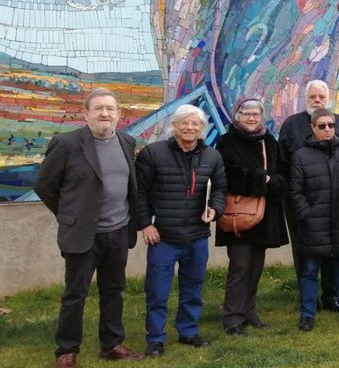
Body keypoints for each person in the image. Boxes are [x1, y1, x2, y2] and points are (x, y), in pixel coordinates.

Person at [34, 88, 143, 368]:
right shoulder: (67, 144)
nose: (105, 113)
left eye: (110, 108)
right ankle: (66, 351)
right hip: (83, 235)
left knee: (114, 290)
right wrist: (69, 215)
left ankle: (112, 344)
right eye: (98, 108)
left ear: (119, 114)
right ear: (86, 114)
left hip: (118, 232)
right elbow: (44, 186)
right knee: (75, 295)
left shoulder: (127, 142)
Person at [136, 105, 227, 356]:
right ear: (173, 126)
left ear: (202, 129)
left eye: (195, 124)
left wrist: (214, 209)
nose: (189, 128)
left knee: (193, 287)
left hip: (197, 236)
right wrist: (145, 224)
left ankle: (188, 331)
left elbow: (220, 188)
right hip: (163, 237)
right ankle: (155, 338)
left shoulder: (212, 156)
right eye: (184, 123)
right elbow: (138, 192)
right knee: (157, 291)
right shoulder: (152, 153)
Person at [215, 97, 289, 336]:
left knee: (256, 265)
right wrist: (261, 179)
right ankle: (232, 317)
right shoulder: (226, 142)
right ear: (237, 116)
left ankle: (249, 311)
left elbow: (282, 173)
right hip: (239, 213)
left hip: (265, 214)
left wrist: (274, 182)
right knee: (240, 265)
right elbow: (227, 175)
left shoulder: (269, 141)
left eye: (256, 114)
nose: (251, 118)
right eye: (246, 114)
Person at [278, 79, 339, 311]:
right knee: (304, 254)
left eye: (321, 96)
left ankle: (331, 296)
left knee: (335, 253)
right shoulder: (291, 125)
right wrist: (299, 206)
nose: (317, 100)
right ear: (306, 99)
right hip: (300, 204)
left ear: (328, 98)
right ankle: (308, 299)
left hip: (334, 205)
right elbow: (282, 165)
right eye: (313, 97)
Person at [289, 108, 339, 331]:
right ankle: (307, 313)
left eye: (331, 125)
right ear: (312, 127)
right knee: (310, 269)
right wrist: (307, 215)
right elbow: (295, 192)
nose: (327, 129)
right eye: (322, 126)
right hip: (314, 224)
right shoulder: (301, 156)